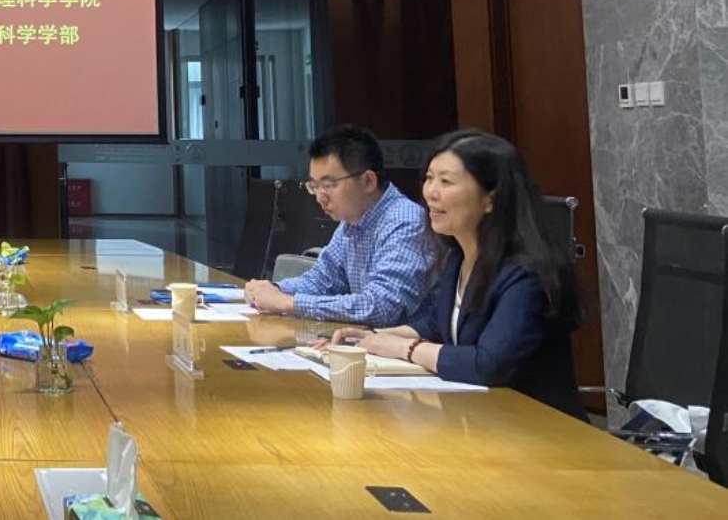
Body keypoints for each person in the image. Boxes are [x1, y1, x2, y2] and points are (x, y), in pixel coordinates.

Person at [325, 130, 587, 419]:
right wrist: (369, 338)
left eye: (446, 181)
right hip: (482, 419)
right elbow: (438, 326)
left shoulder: (526, 272)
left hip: (540, 428)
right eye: (429, 178)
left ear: (491, 199)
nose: (430, 192)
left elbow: (487, 364)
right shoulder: (458, 257)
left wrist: (403, 348)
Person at [244, 125, 428, 327]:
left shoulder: (405, 221)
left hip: (406, 344)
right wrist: (273, 289)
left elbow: (383, 306)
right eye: (314, 186)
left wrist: (289, 303)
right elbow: (322, 280)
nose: (319, 197)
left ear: (368, 181)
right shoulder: (351, 222)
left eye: (328, 185)